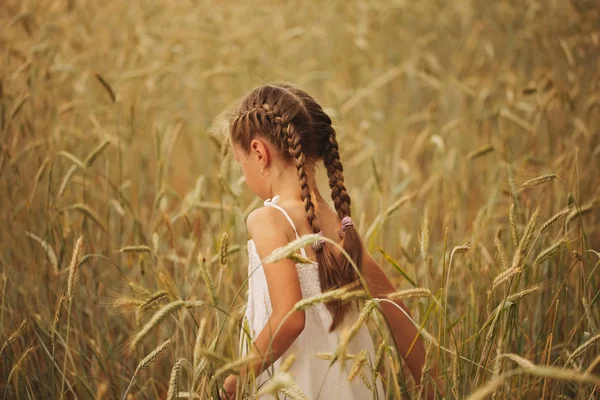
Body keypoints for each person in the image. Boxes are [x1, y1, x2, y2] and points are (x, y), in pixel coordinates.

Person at [222, 83, 441, 399]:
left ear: (259, 152)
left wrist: (231, 384)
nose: (243, 173)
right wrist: (435, 389)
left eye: (240, 162)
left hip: (295, 389)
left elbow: (290, 318)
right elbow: (396, 309)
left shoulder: (267, 220)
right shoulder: (341, 227)